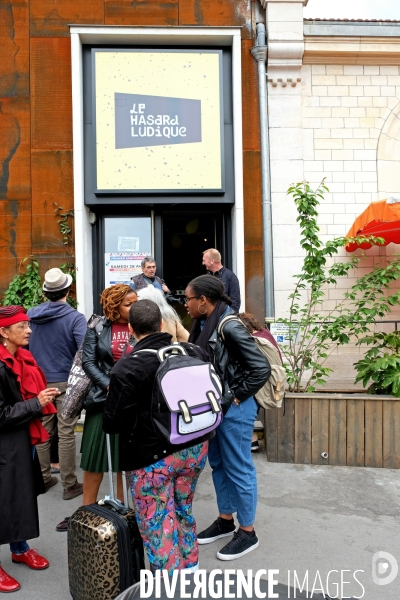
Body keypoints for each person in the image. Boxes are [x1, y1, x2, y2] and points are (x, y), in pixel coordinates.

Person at [103, 300, 212, 575]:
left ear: (130, 329)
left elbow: (113, 423)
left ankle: (169, 587)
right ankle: (191, 572)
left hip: (152, 460)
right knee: (184, 510)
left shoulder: (128, 367)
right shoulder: (194, 351)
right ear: (162, 324)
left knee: (157, 522)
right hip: (195, 448)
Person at [185, 275, 270, 560]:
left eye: (189, 299)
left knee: (239, 467)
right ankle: (225, 520)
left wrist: (233, 397)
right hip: (215, 406)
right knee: (219, 463)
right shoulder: (201, 323)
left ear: (204, 301)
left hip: (235, 407)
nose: (185, 304)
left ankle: (248, 532)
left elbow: (260, 369)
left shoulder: (229, 325)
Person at [0, 306, 59, 592]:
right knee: (3, 501)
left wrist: (40, 399)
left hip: (21, 439)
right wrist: (36, 403)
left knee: (20, 496)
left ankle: (20, 548)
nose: (29, 330)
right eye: (22, 326)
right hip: (4, 444)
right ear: (3, 332)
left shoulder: (22, 357)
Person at [28, 268, 87, 500]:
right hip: (65, 380)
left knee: (43, 431)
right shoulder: (74, 317)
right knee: (66, 431)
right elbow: (85, 350)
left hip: (39, 382)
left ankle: (43, 478)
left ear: (46, 293)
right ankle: (69, 485)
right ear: (67, 291)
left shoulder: (31, 315)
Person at [80, 284, 138, 506]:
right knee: (95, 457)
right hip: (102, 401)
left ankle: (122, 513)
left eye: (136, 302)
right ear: (114, 306)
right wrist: (108, 385)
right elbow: (88, 362)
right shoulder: (97, 326)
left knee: (123, 460)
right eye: (128, 304)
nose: (134, 307)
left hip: (132, 401)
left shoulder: (140, 324)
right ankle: (87, 511)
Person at [239, 312, 282, 452]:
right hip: (273, 379)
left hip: (260, 382)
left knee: (249, 411)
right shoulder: (265, 333)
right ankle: (252, 440)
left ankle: (250, 440)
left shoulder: (253, 339)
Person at [202, 248, 241, 313]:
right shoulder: (207, 277)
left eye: (204, 260)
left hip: (223, 318)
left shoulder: (230, 276)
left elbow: (235, 302)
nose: (203, 263)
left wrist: (230, 318)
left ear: (212, 261)